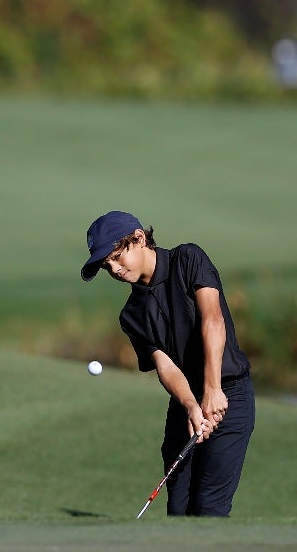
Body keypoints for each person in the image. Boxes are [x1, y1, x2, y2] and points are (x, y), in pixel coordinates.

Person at [80, 211, 255, 517]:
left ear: (139, 238)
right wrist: (191, 405)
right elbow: (166, 367)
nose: (115, 269)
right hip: (184, 403)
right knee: (178, 509)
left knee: (208, 508)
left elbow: (212, 320)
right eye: (107, 265)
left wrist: (213, 390)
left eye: (117, 257)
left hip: (228, 392)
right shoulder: (131, 314)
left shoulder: (188, 259)